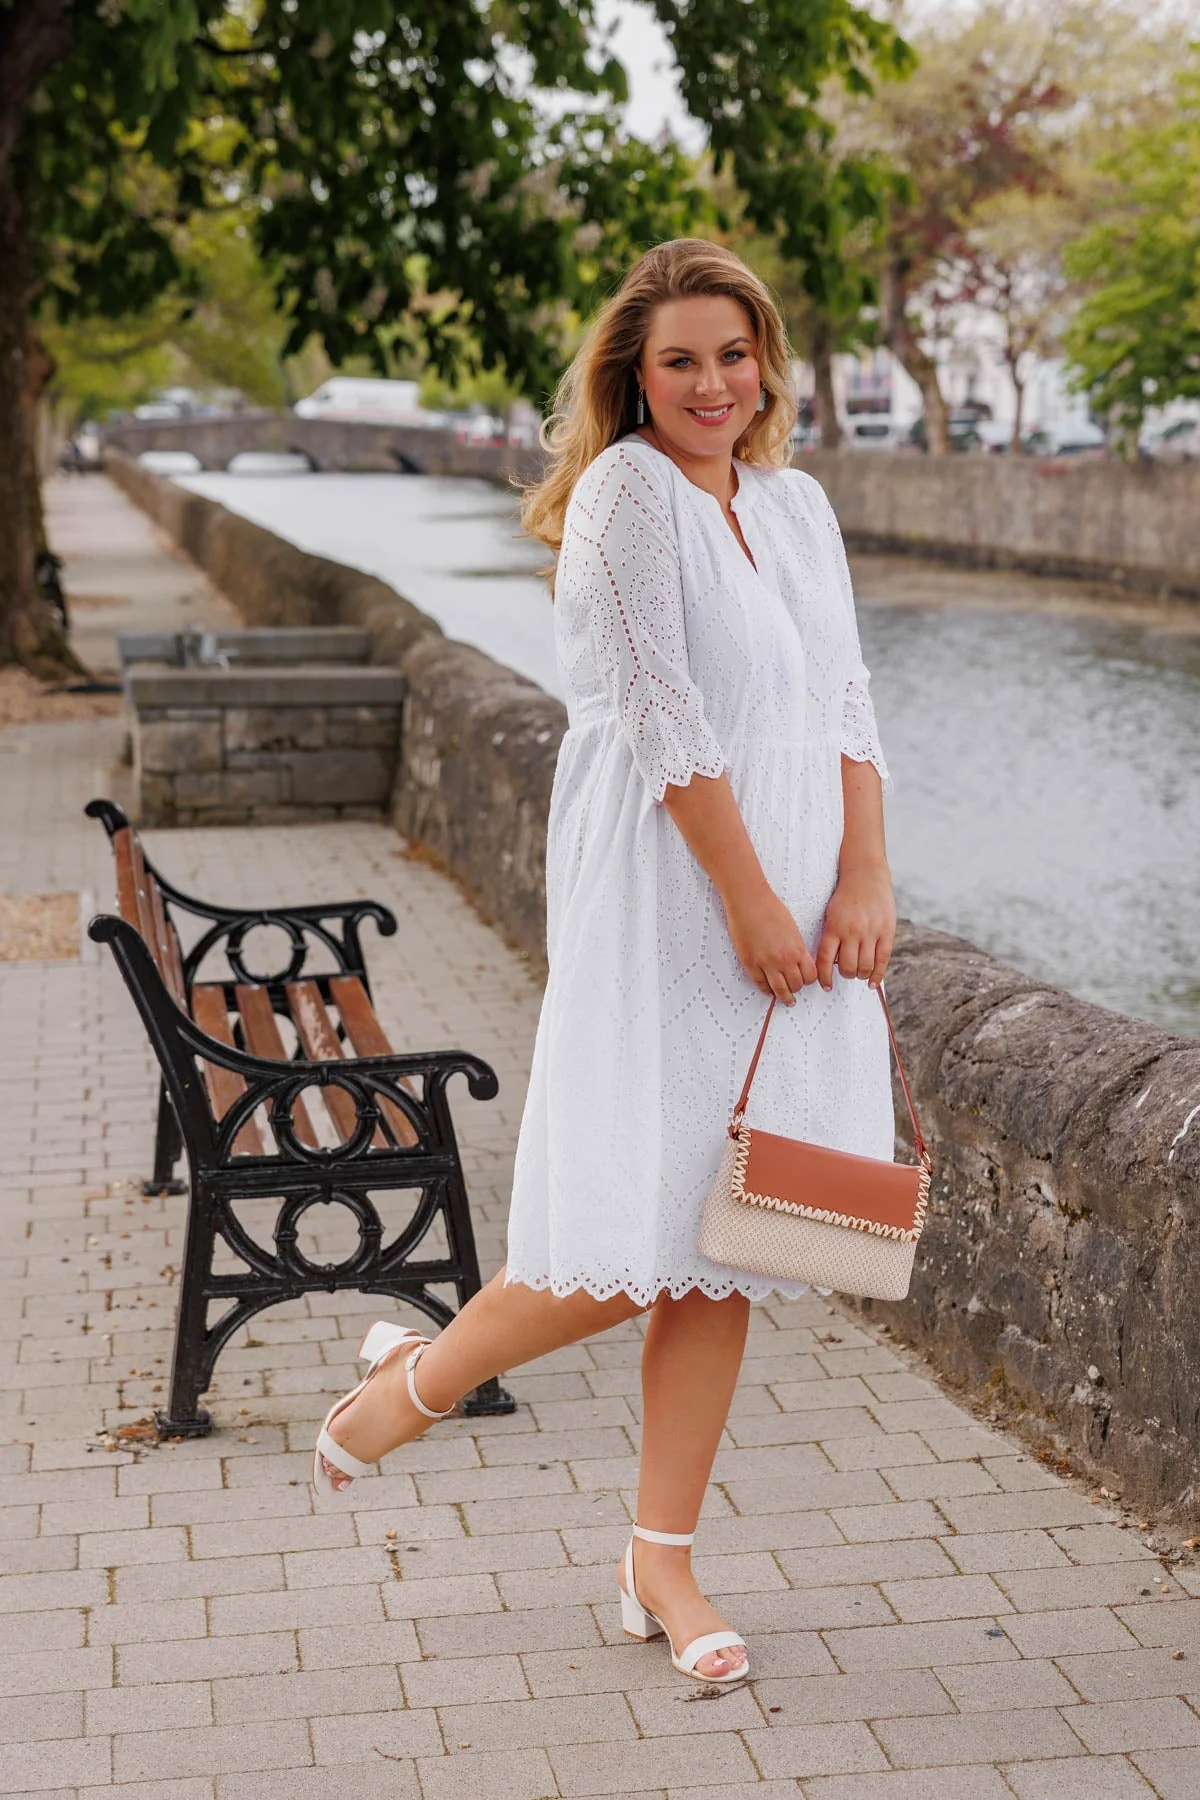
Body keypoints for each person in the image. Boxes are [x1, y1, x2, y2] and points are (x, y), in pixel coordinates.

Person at [313, 238, 897, 1686]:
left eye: (734, 354)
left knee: (737, 1239)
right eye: (680, 358)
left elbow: (845, 700)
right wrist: (752, 900)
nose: (712, 382)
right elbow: (658, 715)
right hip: (675, 891)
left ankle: (663, 1567)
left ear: (768, 364)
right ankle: (423, 1380)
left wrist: (864, 874)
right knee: (645, 1218)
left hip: (809, 894)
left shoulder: (801, 505)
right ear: (632, 375)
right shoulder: (626, 495)